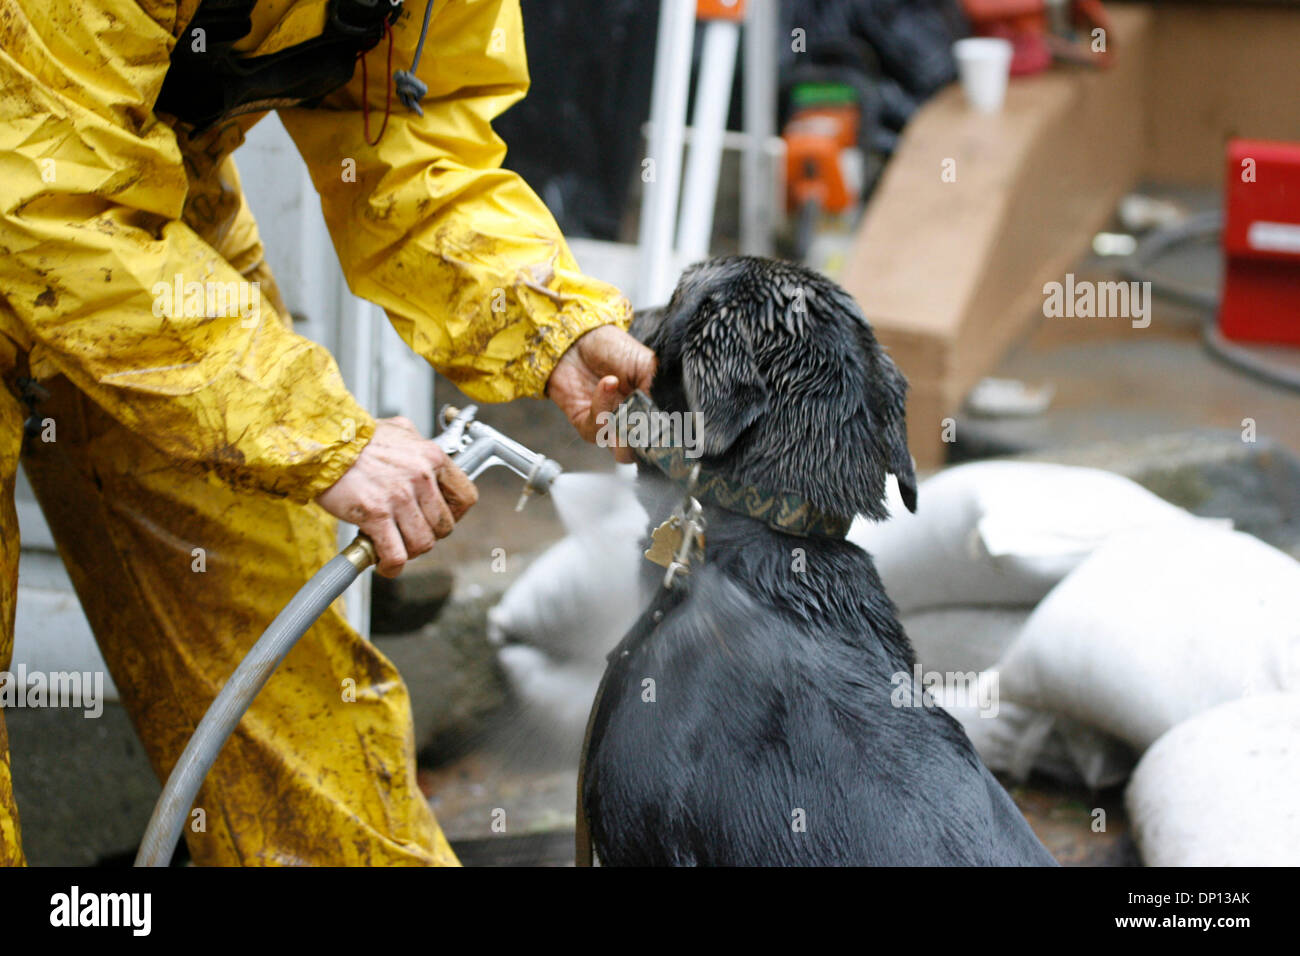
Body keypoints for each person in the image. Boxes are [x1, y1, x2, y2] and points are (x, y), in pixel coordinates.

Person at [0, 0, 654, 865]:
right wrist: (308, 430)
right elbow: (49, 199)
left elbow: (410, 141)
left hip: (147, 221)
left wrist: (553, 325)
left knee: (291, 693)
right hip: (53, 192)